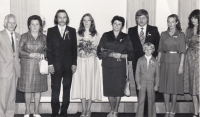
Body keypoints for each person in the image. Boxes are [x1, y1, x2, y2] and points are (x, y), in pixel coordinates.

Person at [97, 16, 134, 117]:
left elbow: (131, 54)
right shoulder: (106, 35)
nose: (117, 26)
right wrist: (110, 54)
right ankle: (112, 109)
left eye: (119, 24)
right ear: (112, 24)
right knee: (109, 88)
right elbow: (99, 52)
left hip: (120, 66)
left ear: (122, 26)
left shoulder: (126, 37)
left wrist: (121, 55)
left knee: (118, 89)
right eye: (115, 23)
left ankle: (116, 110)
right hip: (108, 65)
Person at [47, 9, 77, 117]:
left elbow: (74, 49)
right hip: (55, 65)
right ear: (56, 18)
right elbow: (48, 49)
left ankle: (64, 111)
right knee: (55, 89)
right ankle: (55, 112)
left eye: (64, 17)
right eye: (60, 17)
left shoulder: (72, 31)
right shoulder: (50, 31)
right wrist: (50, 64)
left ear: (67, 18)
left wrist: (74, 64)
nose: (62, 19)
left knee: (67, 88)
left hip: (68, 66)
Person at [71, 13, 102, 117]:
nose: (86, 22)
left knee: (90, 84)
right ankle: (83, 109)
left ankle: (89, 109)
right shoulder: (77, 34)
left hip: (91, 62)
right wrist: (79, 53)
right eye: (84, 20)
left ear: (91, 22)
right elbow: (73, 48)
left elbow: (99, 50)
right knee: (82, 85)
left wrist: (92, 52)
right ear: (82, 22)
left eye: (88, 20)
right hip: (80, 61)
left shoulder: (96, 34)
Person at [17, 15, 47, 117]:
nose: (34, 26)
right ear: (29, 26)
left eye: (37, 24)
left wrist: (42, 55)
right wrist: (30, 55)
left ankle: (36, 111)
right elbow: (19, 51)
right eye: (32, 24)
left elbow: (48, 52)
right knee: (28, 89)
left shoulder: (44, 37)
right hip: (27, 66)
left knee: (38, 89)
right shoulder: (24, 36)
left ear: (40, 26)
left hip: (39, 66)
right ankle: (27, 111)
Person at [157, 14, 186, 117]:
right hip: (164, 62)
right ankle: (167, 110)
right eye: (169, 21)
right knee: (165, 87)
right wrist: (157, 65)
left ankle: (173, 110)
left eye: (173, 22)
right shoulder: (163, 34)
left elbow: (183, 51)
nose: (170, 24)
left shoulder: (181, 34)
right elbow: (160, 50)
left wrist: (181, 65)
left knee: (174, 88)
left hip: (176, 62)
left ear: (176, 22)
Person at [128, 9, 160, 81]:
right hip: (136, 61)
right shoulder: (131, 30)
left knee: (149, 83)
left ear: (147, 18)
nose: (141, 20)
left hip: (150, 60)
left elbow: (158, 45)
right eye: (138, 18)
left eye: (143, 18)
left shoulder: (153, 29)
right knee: (137, 83)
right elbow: (129, 46)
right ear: (136, 19)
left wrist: (153, 57)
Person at [0, 14, 21, 117]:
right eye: (10, 22)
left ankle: (9, 115)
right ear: (5, 23)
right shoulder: (0, 35)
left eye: (13, 23)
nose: (12, 25)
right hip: (3, 71)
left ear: (16, 24)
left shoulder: (18, 36)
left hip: (15, 70)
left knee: (12, 97)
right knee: (2, 97)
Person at [135, 42, 159, 117]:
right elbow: (137, 73)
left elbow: (157, 74)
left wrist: (156, 85)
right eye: (146, 49)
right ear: (143, 50)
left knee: (151, 100)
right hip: (142, 83)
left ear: (153, 50)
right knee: (141, 100)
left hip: (151, 83)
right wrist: (138, 84)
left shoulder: (155, 61)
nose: (148, 51)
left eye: (150, 49)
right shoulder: (140, 60)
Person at [183, 9, 200, 117]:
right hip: (189, 57)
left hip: (199, 57)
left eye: (195, 17)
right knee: (193, 86)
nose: (193, 20)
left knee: (198, 85)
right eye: (192, 18)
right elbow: (185, 45)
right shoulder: (188, 30)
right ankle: (195, 111)